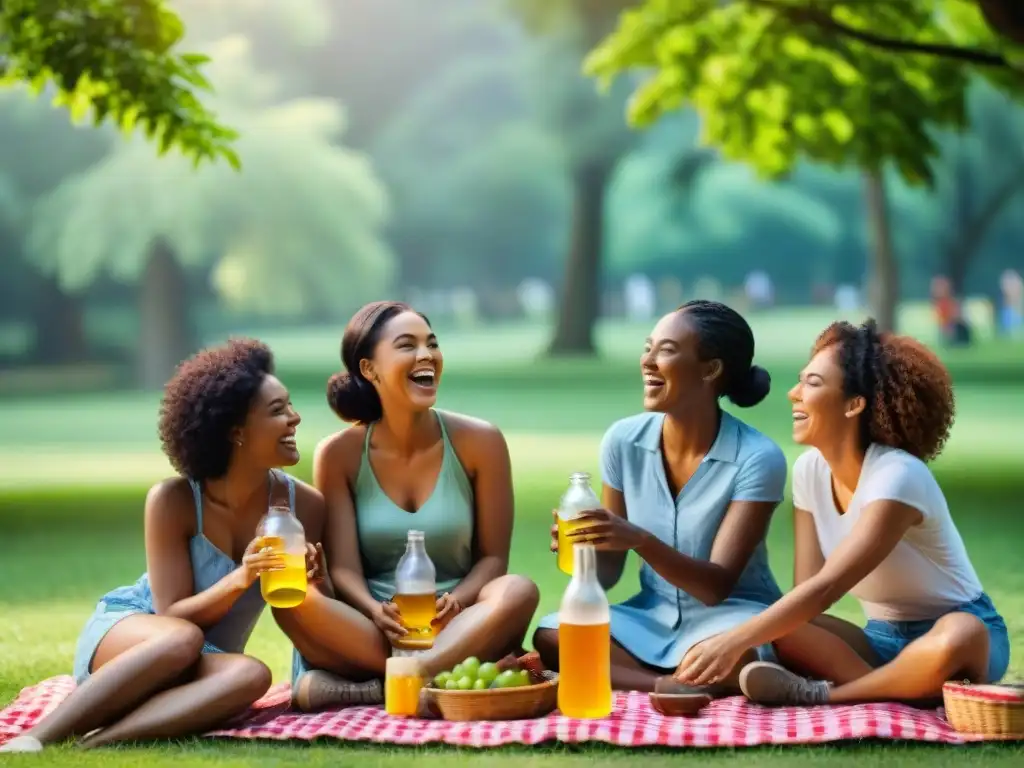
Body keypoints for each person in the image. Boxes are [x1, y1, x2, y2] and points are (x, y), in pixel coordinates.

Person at [1, 339, 327, 753]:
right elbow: (171, 613)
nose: (295, 418)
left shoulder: (306, 506)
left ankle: (99, 742)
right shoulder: (173, 501)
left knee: (252, 676)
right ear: (236, 432)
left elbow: (317, 611)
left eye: (290, 405)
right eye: (278, 410)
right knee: (181, 638)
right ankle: (37, 738)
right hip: (135, 636)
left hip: (205, 661)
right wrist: (243, 576)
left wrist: (317, 581)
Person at [674, 320, 1010, 706]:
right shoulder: (808, 471)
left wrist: (735, 641)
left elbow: (827, 588)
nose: (793, 394)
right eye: (800, 381)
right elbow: (806, 592)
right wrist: (742, 632)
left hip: (963, 636)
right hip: (880, 640)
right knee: (776, 622)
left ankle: (829, 696)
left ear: (854, 404)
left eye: (812, 384)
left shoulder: (898, 476)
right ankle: (900, 689)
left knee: (961, 632)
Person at [274, 301, 540, 712]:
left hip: (459, 622)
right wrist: (375, 612)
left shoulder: (480, 442)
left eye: (432, 343)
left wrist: (460, 601)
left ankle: (397, 682)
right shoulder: (339, 454)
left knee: (519, 590)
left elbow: (492, 559)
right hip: (376, 627)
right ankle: (430, 681)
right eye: (407, 345)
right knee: (291, 600)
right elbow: (343, 568)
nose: (426, 355)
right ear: (369, 369)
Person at [532, 300, 788, 695]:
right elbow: (609, 574)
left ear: (710, 369)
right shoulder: (623, 440)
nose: (647, 361)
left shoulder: (757, 458)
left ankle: (657, 677)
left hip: (732, 618)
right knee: (553, 633)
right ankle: (667, 684)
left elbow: (715, 587)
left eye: (666, 351)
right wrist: (587, 551)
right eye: (647, 347)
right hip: (650, 616)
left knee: (732, 656)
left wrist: (639, 539)